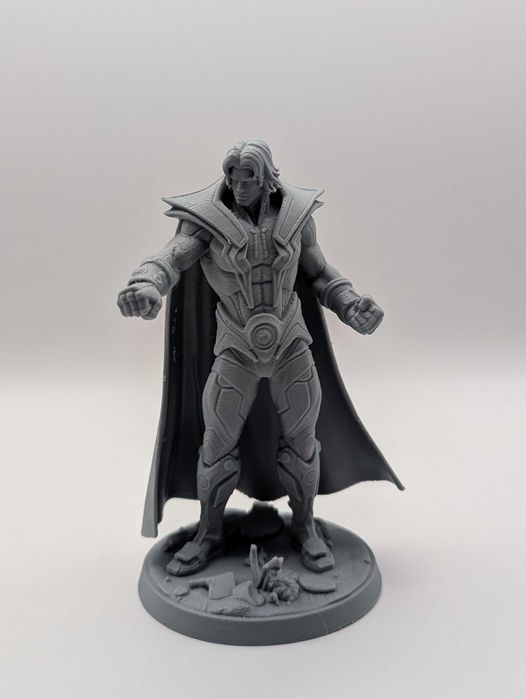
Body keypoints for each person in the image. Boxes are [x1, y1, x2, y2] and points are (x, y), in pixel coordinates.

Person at [118, 139, 402, 576]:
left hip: (289, 342)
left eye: (248, 178)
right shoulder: (207, 221)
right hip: (236, 345)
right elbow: (172, 258)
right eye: (232, 177)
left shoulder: (296, 216)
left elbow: (318, 271)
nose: (239, 186)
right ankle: (209, 533)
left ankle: (304, 527)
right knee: (216, 447)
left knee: (303, 445)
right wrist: (147, 284)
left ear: (267, 178)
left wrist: (350, 303)